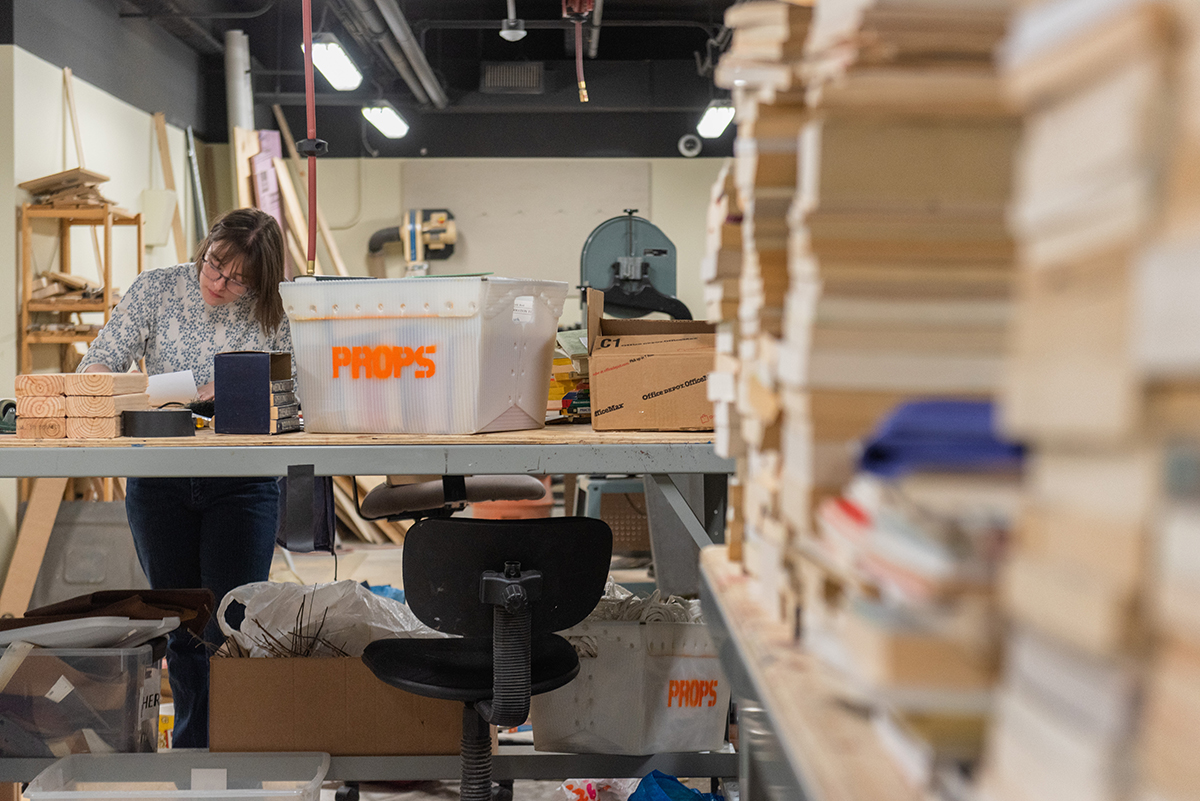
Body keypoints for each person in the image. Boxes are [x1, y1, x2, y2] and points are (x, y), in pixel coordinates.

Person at [77, 208, 292, 747]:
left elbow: (298, 398)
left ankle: (241, 748)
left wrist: (239, 397)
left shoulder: (276, 312)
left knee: (232, 624)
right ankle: (195, 755)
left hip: (242, 481)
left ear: (261, 281)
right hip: (159, 479)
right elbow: (96, 366)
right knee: (180, 628)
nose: (219, 283)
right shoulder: (157, 289)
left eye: (238, 278)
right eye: (215, 265)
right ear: (207, 246)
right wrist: (115, 388)